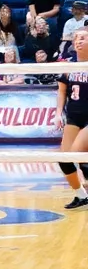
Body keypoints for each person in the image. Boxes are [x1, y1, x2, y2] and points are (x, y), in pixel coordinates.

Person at [55, 29, 88, 210]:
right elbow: (61, 91)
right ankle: (81, 195)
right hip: (74, 115)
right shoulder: (68, 64)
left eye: (83, 38)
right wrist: (58, 112)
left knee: (79, 152)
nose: (78, 41)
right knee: (65, 158)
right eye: (76, 38)